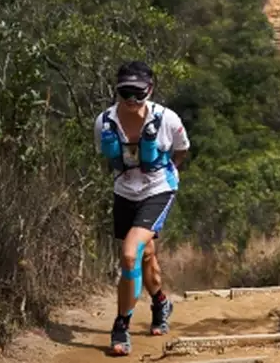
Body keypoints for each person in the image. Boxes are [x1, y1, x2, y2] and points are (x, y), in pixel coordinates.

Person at [95, 61, 190, 356]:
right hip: (125, 192)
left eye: (138, 93)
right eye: (126, 93)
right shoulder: (104, 122)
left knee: (128, 254)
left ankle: (121, 325)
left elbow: (182, 149)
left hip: (158, 190)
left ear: (150, 90)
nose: (132, 100)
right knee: (146, 255)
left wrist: (166, 176)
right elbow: (107, 157)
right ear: (117, 90)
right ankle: (161, 302)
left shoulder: (167, 119)